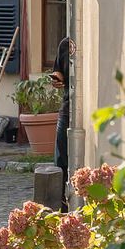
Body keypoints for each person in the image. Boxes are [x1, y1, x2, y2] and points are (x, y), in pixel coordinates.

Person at [52, 35, 73, 208]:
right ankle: (62, 207)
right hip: (66, 107)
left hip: (82, 108)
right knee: (61, 161)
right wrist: (57, 79)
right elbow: (58, 70)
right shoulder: (64, 44)